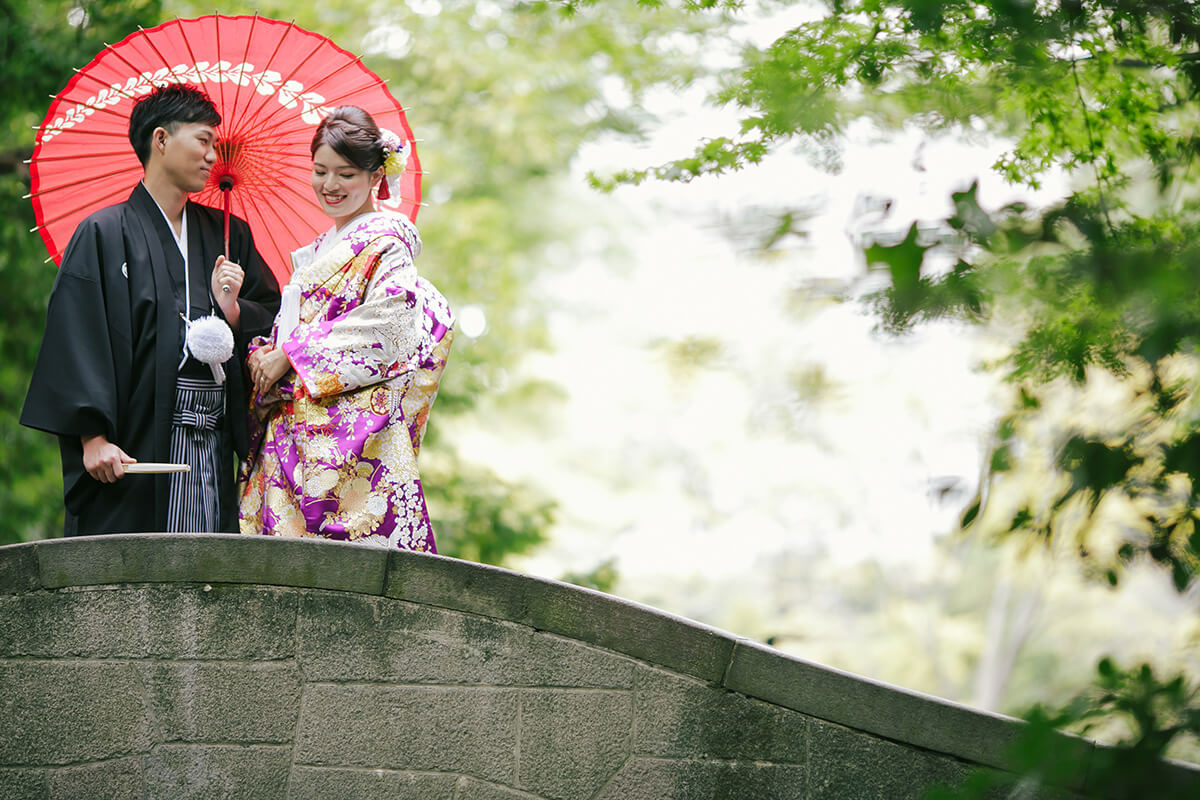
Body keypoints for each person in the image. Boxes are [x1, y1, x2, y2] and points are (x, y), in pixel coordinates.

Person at [21, 84, 281, 536]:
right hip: (135, 435)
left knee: (208, 568)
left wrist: (234, 311)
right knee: (136, 575)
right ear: (160, 140)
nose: (211, 157)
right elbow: (78, 336)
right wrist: (92, 437)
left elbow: (271, 318)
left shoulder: (229, 234)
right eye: (203, 141)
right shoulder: (103, 233)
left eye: (214, 145)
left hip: (212, 432)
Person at [238, 106, 453, 551]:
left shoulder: (386, 246)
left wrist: (291, 355)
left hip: (348, 445)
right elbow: (288, 336)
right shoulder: (316, 252)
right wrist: (264, 353)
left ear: (376, 176)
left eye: (346, 174)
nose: (330, 185)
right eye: (320, 171)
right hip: (294, 434)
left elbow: (391, 325)